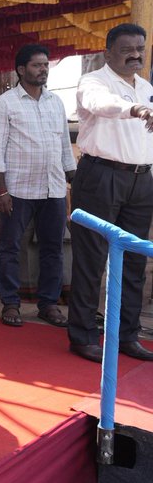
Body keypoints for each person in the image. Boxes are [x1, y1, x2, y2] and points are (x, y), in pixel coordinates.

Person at [66, 24, 153, 362]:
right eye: (127, 49)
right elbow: (101, 104)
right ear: (108, 52)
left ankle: (126, 335)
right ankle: (83, 335)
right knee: (91, 258)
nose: (136, 54)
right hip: (101, 176)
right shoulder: (93, 82)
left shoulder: (146, 87)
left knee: (134, 260)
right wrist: (135, 109)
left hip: (141, 181)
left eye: (140, 48)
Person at [0, 44, 74, 329]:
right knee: (10, 247)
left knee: (53, 248)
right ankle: (10, 303)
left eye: (46, 65)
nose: (43, 70)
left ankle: (48, 304)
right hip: (18, 190)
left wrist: (72, 180)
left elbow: (64, 146)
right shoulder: (5, 103)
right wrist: (1, 191)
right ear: (21, 70)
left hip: (53, 188)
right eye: (37, 65)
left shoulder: (55, 102)